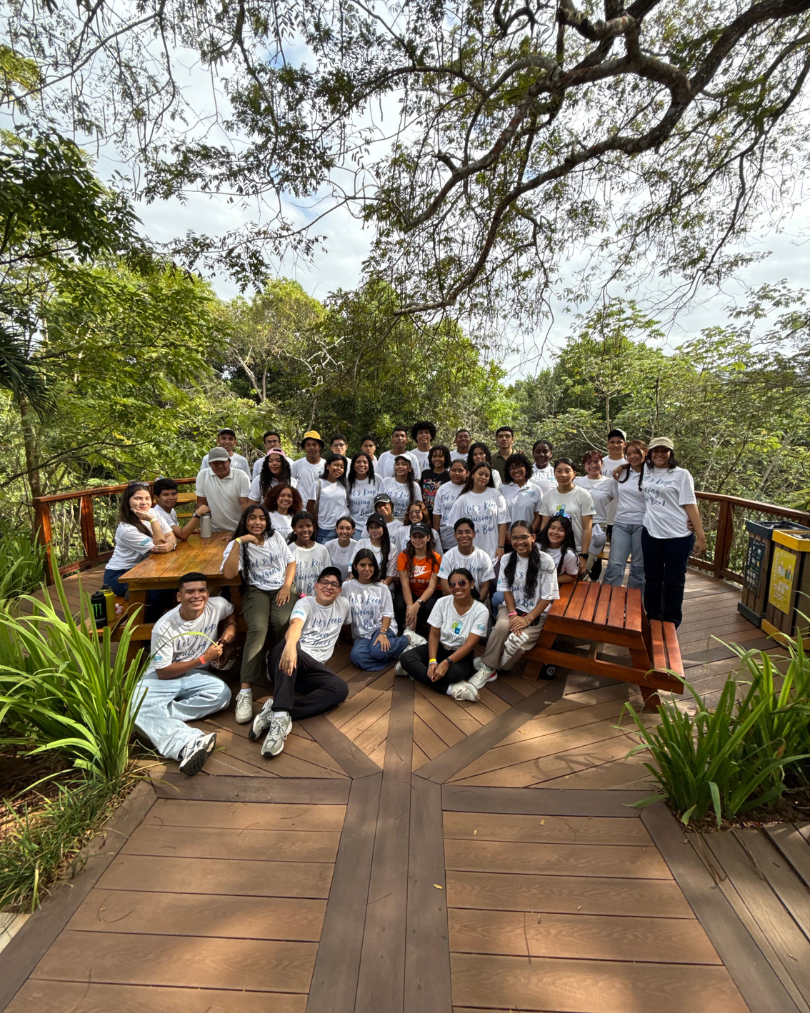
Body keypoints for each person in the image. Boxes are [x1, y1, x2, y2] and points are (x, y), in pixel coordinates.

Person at [133, 572, 235, 775]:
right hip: (161, 677)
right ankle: (188, 743)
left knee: (222, 695)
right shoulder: (164, 627)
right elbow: (163, 672)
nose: (197, 596)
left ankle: (156, 716)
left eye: (202, 590)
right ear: (179, 597)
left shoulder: (217, 605)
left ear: (208, 593)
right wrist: (203, 659)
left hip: (196, 676)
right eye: (190, 592)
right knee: (135, 703)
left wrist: (231, 626)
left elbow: (230, 611)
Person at [248, 566, 350, 757]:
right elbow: (295, 625)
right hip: (287, 658)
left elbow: (348, 628)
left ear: (339, 590)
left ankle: (277, 711)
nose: (329, 587)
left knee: (340, 689)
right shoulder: (306, 603)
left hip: (311, 668)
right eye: (324, 582)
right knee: (288, 647)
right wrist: (290, 646)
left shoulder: (344, 605)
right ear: (316, 586)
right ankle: (279, 722)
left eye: (334, 584)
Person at [221, 505, 296, 724]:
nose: (257, 522)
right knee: (258, 628)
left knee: (281, 621)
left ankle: (274, 661)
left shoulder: (275, 537)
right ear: (244, 521)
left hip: (281, 587)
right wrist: (239, 542)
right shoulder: (237, 544)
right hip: (256, 590)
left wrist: (286, 586)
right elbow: (229, 574)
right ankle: (245, 691)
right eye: (252, 518)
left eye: (262, 518)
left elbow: (291, 562)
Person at [473, 521, 559, 685]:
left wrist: (526, 620)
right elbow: (507, 591)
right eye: (515, 538)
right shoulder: (506, 559)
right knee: (501, 627)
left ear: (533, 537)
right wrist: (513, 615)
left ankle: (492, 666)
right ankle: (488, 668)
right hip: (511, 608)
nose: (519, 542)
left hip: (536, 613)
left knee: (517, 641)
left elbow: (547, 597)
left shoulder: (546, 561)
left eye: (524, 537)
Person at [641, 437, 707, 627]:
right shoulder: (646, 470)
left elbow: (690, 505)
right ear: (650, 453)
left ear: (670, 453)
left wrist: (701, 536)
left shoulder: (681, 474)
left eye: (664, 450)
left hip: (678, 535)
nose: (660, 454)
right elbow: (629, 461)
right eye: (656, 451)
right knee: (652, 577)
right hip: (651, 532)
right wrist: (621, 467)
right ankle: (653, 617)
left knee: (674, 580)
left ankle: (671, 621)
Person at [397, 567, 489, 702]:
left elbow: (469, 644)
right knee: (406, 658)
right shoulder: (442, 602)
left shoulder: (481, 610)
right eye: (452, 584)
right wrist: (432, 661)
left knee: (453, 674)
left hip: (460, 654)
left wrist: (446, 663)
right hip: (440, 647)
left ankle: (415, 671)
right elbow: (434, 635)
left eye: (462, 582)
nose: (457, 587)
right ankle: (451, 690)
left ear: (472, 584)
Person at [104, 482, 176, 619]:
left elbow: (170, 535)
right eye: (138, 498)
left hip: (145, 568)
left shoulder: (153, 512)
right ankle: (148, 625)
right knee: (158, 589)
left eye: (147, 498)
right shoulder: (127, 530)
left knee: (176, 582)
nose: (144, 502)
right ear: (128, 501)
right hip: (121, 575)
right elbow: (159, 547)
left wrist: (171, 545)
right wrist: (153, 521)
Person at [342, 550, 420, 670]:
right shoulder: (347, 586)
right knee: (357, 657)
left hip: (382, 627)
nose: (367, 569)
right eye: (362, 565)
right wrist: (348, 635)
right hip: (362, 634)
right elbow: (343, 612)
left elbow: (387, 613)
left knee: (378, 650)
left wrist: (383, 633)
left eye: (371, 565)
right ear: (355, 566)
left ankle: (408, 638)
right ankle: (399, 653)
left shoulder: (382, 587)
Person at [604, 440, 648, 590]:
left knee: (638, 568)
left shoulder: (652, 473)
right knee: (614, 565)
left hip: (643, 525)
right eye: (628, 454)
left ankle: (633, 601)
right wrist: (623, 466)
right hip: (621, 523)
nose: (632, 456)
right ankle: (608, 599)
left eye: (636, 452)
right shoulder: (622, 472)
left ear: (645, 452)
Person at [538, 458, 594, 573]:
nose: (563, 475)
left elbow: (587, 528)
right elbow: (544, 525)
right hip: (553, 550)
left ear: (574, 473)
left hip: (576, 549)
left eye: (567, 471)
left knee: (573, 581)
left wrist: (583, 554)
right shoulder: (548, 496)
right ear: (554, 473)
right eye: (559, 471)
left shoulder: (584, 495)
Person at [448, 462, 509, 563]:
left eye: (487, 475)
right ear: (472, 475)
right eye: (480, 474)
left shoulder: (496, 494)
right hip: (470, 554)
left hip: (493, 552)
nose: (483, 477)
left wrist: (501, 546)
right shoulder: (463, 499)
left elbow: (502, 522)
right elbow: (455, 526)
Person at [394, 522, 442, 637]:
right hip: (412, 592)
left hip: (429, 593)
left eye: (421, 536)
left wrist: (417, 604)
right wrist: (410, 607)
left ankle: (430, 633)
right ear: (410, 538)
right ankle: (402, 631)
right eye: (414, 537)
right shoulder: (403, 556)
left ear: (428, 538)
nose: (417, 540)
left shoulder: (436, 558)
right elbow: (405, 585)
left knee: (431, 606)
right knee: (399, 604)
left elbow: (431, 588)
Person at [574, 450, 614, 580]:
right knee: (577, 557)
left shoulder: (610, 483)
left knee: (591, 560)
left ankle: (587, 585)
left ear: (602, 463)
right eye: (588, 463)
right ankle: (582, 586)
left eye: (596, 461)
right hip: (579, 524)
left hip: (598, 525)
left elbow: (612, 498)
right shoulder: (578, 482)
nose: (592, 466)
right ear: (584, 466)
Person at [196, 447, 251, 532]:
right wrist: (204, 529)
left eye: (222, 462)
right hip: (213, 530)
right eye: (215, 463)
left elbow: (245, 507)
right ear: (210, 464)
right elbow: (201, 504)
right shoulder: (202, 475)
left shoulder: (241, 476)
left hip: (237, 529)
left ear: (229, 462)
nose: (220, 466)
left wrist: (241, 532)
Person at [438, 519, 495, 600]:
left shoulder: (484, 557)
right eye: (460, 532)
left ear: (474, 534)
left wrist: (476, 604)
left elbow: (484, 587)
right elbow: (445, 586)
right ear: (455, 536)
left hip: (477, 602)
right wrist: (460, 603)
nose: (464, 535)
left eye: (467, 532)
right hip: (454, 601)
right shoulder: (447, 556)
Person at [500, 452, 551, 531]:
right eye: (512, 468)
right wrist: (506, 533)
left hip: (528, 536)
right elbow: (499, 517)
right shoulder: (502, 489)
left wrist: (529, 533)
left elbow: (538, 517)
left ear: (526, 467)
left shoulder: (535, 489)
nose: (516, 470)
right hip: (508, 535)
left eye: (519, 466)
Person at [306, 453, 350, 544]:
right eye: (336, 465)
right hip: (325, 529)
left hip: (343, 528)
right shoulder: (318, 484)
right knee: (323, 552)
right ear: (327, 466)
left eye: (342, 467)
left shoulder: (343, 484)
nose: (339, 468)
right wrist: (315, 525)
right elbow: (310, 506)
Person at [288, 510, 331, 596]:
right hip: (297, 598)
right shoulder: (289, 550)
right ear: (294, 529)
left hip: (318, 599)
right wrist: (298, 595)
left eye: (308, 526)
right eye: (300, 526)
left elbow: (328, 575)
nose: (305, 530)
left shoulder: (322, 550)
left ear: (313, 527)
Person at [353, 511, 397, 585]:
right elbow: (353, 564)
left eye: (377, 527)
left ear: (384, 528)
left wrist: (382, 585)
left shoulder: (392, 547)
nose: (374, 530)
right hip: (362, 583)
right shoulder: (361, 543)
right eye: (371, 527)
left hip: (381, 586)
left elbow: (390, 574)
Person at [433, 458, 469, 550]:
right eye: (453, 470)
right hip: (446, 534)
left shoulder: (471, 488)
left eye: (460, 470)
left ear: (467, 473)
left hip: (466, 534)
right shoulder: (443, 489)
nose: (457, 473)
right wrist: (437, 534)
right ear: (449, 472)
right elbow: (437, 513)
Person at [347, 451, 381, 538]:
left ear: (369, 465)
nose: (361, 465)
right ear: (353, 464)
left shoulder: (377, 479)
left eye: (365, 462)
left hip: (374, 525)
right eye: (358, 462)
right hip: (355, 526)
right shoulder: (348, 481)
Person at [538, 516, 580, 583]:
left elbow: (572, 576)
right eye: (552, 528)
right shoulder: (536, 546)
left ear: (567, 533)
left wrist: (548, 580)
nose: (555, 532)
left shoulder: (569, 555)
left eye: (561, 530)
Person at [602, 428, 628, 533]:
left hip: (624, 515)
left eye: (619, 442)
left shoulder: (631, 462)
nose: (615, 445)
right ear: (607, 444)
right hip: (603, 515)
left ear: (625, 444)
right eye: (612, 442)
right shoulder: (601, 463)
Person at [380, 455, 423, 520]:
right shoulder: (386, 481)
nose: (400, 466)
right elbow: (379, 503)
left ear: (410, 469)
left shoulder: (415, 486)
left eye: (403, 464)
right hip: (387, 521)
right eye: (397, 464)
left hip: (406, 522)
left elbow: (419, 506)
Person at [290, 430, 326, 503]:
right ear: (304, 447)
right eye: (308, 445)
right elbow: (291, 484)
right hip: (302, 505)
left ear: (320, 446)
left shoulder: (326, 465)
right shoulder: (297, 464)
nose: (311, 448)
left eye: (314, 445)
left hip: (321, 505)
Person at [420, 445, 451, 516]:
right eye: (434, 456)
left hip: (442, 514)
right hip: (425, 514)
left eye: (440, 456)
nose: (437, 459)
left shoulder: (449, 476)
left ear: (446, 458)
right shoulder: (425, 473)